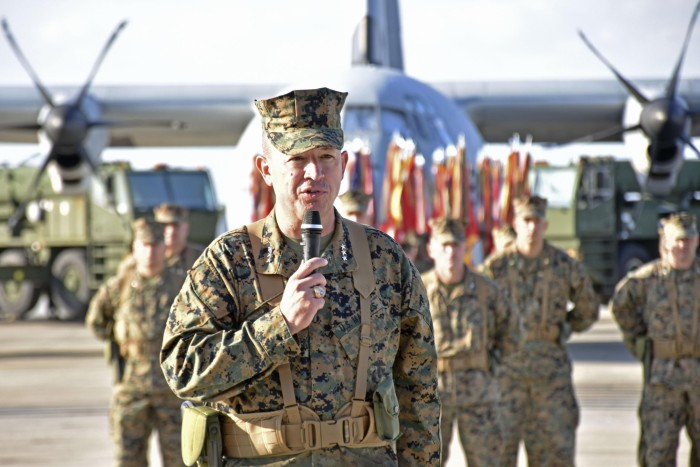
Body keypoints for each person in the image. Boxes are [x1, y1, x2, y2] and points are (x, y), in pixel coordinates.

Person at [160, 87, 441, 465]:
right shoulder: (230, 261)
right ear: (266, 169)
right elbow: (182, 371)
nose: (314, 173)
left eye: (325, 157)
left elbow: (418, 388)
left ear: (343, 164)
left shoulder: (384, 260)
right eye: (298, 158)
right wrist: (280, 326)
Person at [481, 195, 599, 466]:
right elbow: (477, 310)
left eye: (537, 221)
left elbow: (588, 308)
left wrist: (564, 328)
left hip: (550, 378)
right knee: (498, 454)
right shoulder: (496, 267)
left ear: (546, 225)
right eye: (526, 220)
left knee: (554, 453)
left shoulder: (563, 265)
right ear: (516, 223)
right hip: (506, 376)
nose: (532, 227)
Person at [86, 218, 186, 467]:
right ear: (135, 247)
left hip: (171, 389)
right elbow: (96, 321)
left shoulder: (179, 286)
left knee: (181, 459)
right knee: (128, 458)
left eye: (156, 245)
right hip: (131, 387)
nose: (150, 251)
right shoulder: (119, 286)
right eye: (145, 245)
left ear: (165, 248)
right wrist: (122, 342)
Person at [422, 217, 519, 467]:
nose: (450, 252)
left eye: (456, 245)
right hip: (432, 393)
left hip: (479, 392)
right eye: (444, 246)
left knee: (487, 461)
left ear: (465, 248)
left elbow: (512, 330)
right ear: (431, 249)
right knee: (425, 461)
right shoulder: (418, 290)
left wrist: (495, 365)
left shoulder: (486, 289)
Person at [611, 212, 700, 467]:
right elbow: (620, 306)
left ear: (696, 241)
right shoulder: (646, 279)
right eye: (676, 240)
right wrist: (639, 340)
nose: (681, 247)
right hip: (663, 382)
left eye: (687, 240)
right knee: (657, 454)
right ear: (665, 241)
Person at [153, 202, 205, 275]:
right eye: (164, 225)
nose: (170, 231)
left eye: (175, 225)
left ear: (186, 228)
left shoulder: (202, 258)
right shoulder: (142, 260)